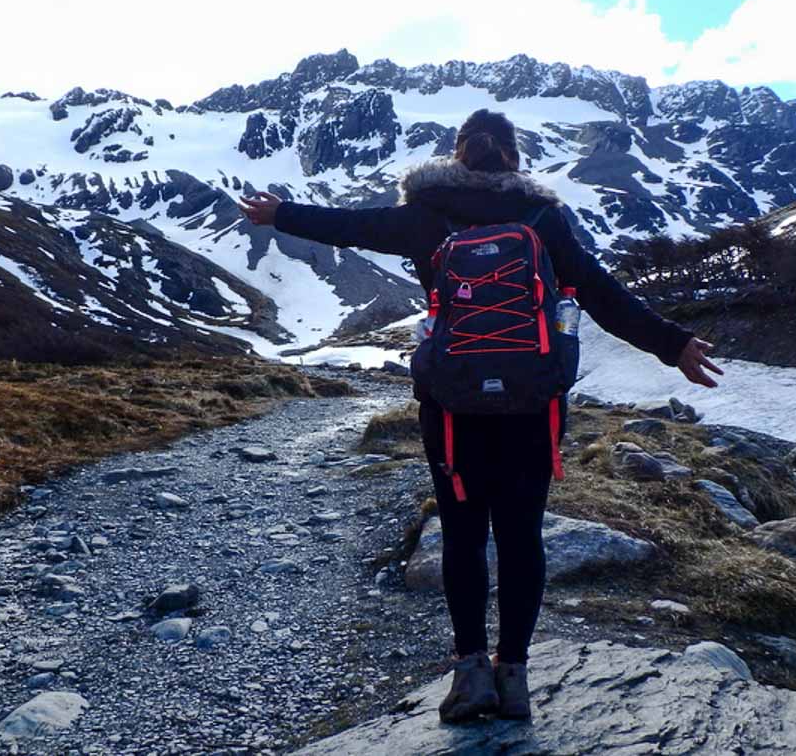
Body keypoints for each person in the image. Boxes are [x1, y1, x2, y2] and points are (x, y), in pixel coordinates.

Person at [238, 108, 722, 724]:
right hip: (532, 403)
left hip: (452, 405)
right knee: (521, 536)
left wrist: (280, 213)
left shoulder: (425, 214)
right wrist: (672, 344)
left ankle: (470, 677)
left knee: (463, 533)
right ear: (514, 160)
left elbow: (350, 226)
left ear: (457, 154)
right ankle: (513, 676)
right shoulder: (544, 218)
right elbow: (602, 295)